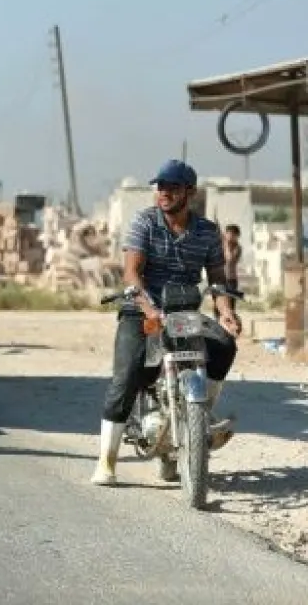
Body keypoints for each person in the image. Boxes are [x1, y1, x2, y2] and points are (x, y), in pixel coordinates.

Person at [91, 159, 242, 486]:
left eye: (172, 187)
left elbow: (216, 281)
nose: (163, 193)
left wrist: (226, 312)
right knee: (129, 373)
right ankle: (106, 460)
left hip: (184, 312)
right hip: (141, 310)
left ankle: (198, 415)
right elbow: (131, 272)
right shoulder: (144, 222)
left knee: (224, 346)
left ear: (190, 192)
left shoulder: (207, 232)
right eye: (160, 186)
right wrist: (147, 308)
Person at [222, 223, 242, 292]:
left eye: (232, 234)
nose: (230, 236)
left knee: (230, 302)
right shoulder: (221, 245)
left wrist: (227, 245)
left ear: (237, 236)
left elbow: (230, 259)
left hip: (230, 280)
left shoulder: (237, 248)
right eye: (228, 233)